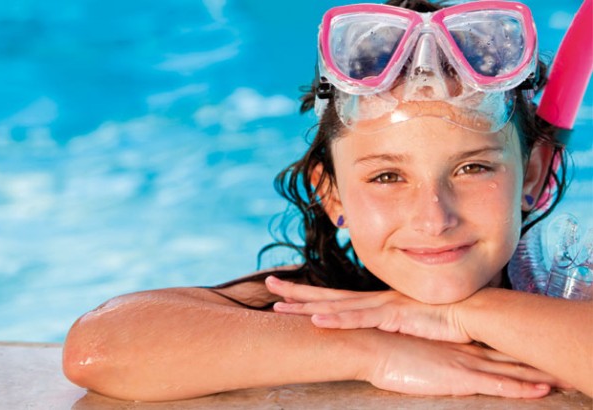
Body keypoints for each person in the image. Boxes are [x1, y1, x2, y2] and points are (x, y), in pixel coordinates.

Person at [62, 0, 592, 402]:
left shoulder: (566, 282)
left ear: (534, 173)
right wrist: (371, 349)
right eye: (387, 176)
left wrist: (465, 316)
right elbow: (101, 345)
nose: (433, 218)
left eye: (472, 167)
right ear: (331, 194)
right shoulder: (327, 305)